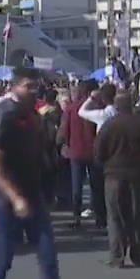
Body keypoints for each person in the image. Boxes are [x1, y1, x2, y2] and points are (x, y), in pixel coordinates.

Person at [0, 66, 62, 279]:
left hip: (34, 194)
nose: (34, 90)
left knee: (48, 257)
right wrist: (15, 197)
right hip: (7, 200)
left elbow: (38, 156)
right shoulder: (5, 115)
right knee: (4, 259)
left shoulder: (34, 116)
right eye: (28, 86)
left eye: (36, 86)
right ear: (14, 87)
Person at [94, 94, 140, 268]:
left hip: (114, 175)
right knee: (138, 215)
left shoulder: (108, 126)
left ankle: (117, 256)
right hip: (138, 175)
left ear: (116, 107)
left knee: (115, 217)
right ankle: (138, 255)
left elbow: (98, 153)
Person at [59, 80, 102, 230]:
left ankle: (76, 217)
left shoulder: (71, 108)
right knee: (96, 186)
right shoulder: (98, 107)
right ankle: (100, 218)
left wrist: (64, 145)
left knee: (76, 186)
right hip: (94, 151)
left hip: (75, 151)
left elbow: (64, 131)